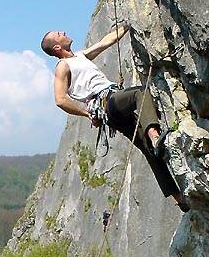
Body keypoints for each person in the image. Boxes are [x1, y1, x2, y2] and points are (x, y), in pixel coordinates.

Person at [40, 26, 190, 211]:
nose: (63, 32)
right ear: (56, 47)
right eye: (58, 34)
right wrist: (87, 113)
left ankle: (179, 198)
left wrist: (126, 26)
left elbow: (106, 41)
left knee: (148, 150)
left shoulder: (80, 56)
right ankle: (155, 135)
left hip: (110, 108)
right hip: (106, 102)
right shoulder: (63, 66)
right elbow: (60, 99)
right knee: (139, 93)